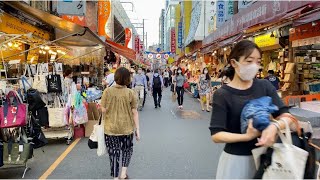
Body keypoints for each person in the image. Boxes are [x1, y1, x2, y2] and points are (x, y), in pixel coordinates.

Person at [209, 40, 296, 179]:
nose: (254, 66)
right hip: (236, 162)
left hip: (268, 159)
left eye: (258, 61)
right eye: (249, 61)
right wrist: (247, 136)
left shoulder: (265, 86)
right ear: (234, 63)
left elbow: (288, 117)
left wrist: (274, 126)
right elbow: (216, 135)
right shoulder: (222, 94)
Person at [100, 67, 140, 180]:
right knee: (127, 150)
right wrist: (138, 130)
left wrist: (104, 107)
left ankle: (115, 177)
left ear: (115, 77)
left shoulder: (107, 91)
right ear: (128, 79)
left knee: (114, 153)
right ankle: (123, 174)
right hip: (127, 129)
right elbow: (135, 112)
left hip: (111, 129)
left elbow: (103, 109)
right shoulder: (130, 93)